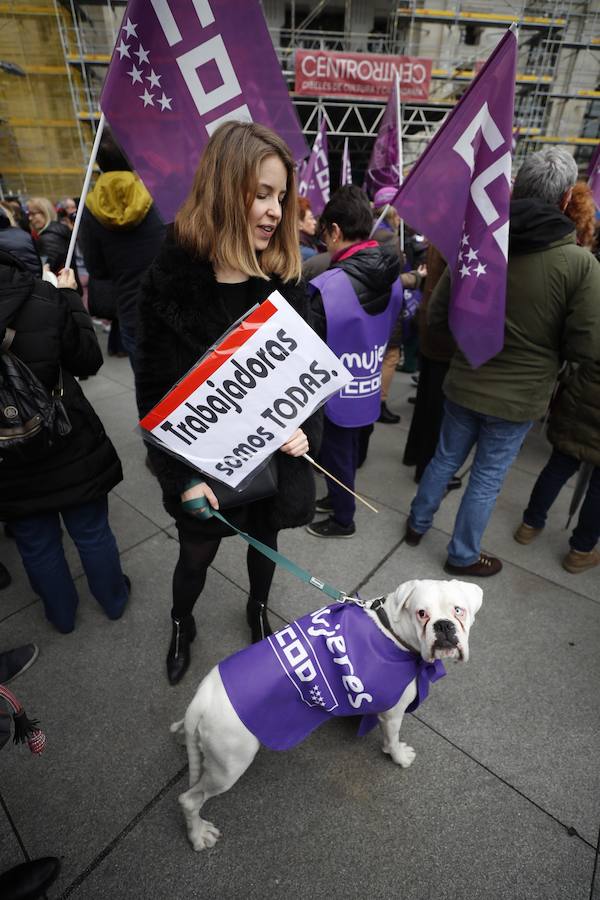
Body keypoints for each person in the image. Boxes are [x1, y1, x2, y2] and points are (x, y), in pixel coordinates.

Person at [135, 121, 321, 686]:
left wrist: (303, 429)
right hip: (204, 472)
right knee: (195, 556)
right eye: (262, 194)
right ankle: (181, 621)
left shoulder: (291, 286)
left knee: (265, 545)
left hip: (272, 464)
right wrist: (180, 479)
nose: (275, 212)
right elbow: (154, 396)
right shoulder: (168, 287)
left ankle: (259, 609)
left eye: (281, 197)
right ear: (223, 189)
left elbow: (309, 380)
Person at [405, 146, 600, 577]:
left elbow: (438, 315)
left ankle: (417, 524)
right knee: (486, 477)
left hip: (466, 379)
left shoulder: (479, 241)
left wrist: (466, 345)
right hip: (519, 397)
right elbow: (588, 347)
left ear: (519, 187)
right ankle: (462, 554)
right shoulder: (578, 265)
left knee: (444, 458)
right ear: (566, 198)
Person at [0, 251, 128, 633]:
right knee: (91, 531)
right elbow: (88, 359)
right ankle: (113, 600)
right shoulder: (42, 295)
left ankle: (62, 615)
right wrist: (69, 296)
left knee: (36, 544)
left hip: (8, 461)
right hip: (67, 438)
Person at [305, 185, 401, 538]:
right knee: (348, 451)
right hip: (367, 380)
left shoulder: (328, 285)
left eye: (324, 236)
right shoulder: (392, 277)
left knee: (337, 455)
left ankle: (343, 519)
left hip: (334, 392)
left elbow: (309, 346)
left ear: (334, 231)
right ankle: (336, 498)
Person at [79, 127, 166, 367]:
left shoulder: (90, 210)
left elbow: (96, 269)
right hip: (170, 306)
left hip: (131, 312)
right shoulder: (158, 197)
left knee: (148, 384)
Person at [402, 243, 461, 491]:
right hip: (444, 329)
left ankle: (414, 453)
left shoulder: (445, 234)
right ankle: (425, 466)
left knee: (426, 400)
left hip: (432, 322)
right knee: (436, 407)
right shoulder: (462, 237)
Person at [26, 197, 72, 275]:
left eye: (33, 214)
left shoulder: (49, 237)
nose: (30, 218)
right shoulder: (55, 231)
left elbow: (47, 269)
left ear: (45, 212)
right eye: (29, 214)